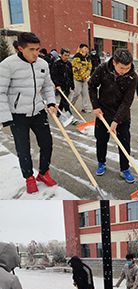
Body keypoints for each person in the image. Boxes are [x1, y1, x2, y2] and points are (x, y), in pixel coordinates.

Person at [0, 31, 57, 194]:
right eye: (31, 49)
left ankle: (43, 173)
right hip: (18, 115)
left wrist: (51, 102)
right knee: (23, 149)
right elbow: (1, 92)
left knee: (47, 144)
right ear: (20, 49)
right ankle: (29, 178)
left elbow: (47, 86)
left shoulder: (43, 64)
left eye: (37, 49)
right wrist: (6, 118)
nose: (35, 53)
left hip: (38, 111)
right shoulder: (7, 65)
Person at [89, 49, 137, 182]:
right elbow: (92, 85)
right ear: (114, 62)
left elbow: (127, 101)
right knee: (101, 140)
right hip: (103, 113)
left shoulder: (132, 76)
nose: (124, 71)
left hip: (122, 116)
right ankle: (101, 162)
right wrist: (95, 106)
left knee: (124, 143)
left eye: (127, 68)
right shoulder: (102, 69)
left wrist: (116, 121)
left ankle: (124, 169)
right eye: (121, 68)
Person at [51, 47, 74, 118]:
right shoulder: (57, 64)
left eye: (68, 55)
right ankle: (70, 116)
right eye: (65, 55)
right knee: (65, 100)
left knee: (64, 100)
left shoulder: (68, 64)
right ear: (61, 55)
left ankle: (58, 113)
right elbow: (53, 75)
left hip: (67, 85)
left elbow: (71, 75)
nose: (67, 57)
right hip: (60, 86)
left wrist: (72, 85)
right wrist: (57, 84)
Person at [71, 43, 92, 113]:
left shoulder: (87, 58)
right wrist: (85, 76)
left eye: (87, 49)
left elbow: (90, 67)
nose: (86, 50)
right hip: (77, 78)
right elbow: (80, 68)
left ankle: (84, 108)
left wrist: (87, 75)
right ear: (81, 49)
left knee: (85, 93)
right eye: (85, 48)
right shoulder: (77, 57)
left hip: (84, 79)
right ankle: (70, 105)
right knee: (77, 92)